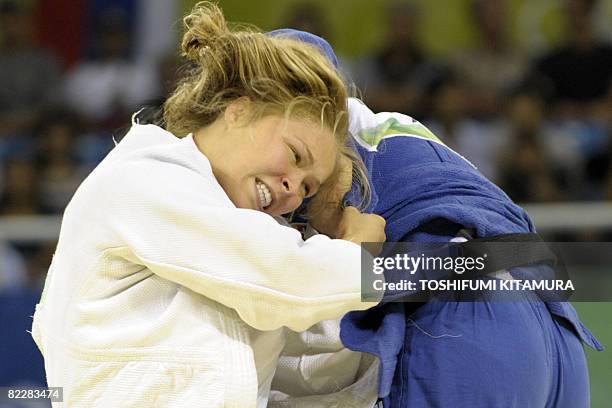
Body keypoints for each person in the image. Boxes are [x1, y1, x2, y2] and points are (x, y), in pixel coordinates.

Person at [30, 3, 386, 407]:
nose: (292, 189)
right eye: (295, 154)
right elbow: (292, 273)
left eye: (308, 188)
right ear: (240, 109)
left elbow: (314, 346)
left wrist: (461, 270)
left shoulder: (231, 255)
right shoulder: (145, 179)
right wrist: (367, 251)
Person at [269, 30, 603, 408]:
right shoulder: (398, 127)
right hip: (554, 324)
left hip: (469, 322)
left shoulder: (315, 147)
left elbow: (347, 272)